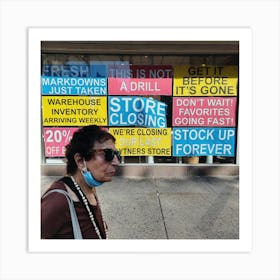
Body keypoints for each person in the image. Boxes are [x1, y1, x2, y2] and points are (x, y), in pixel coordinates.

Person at [41, 125, 120, 239]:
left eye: (117, 154)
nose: (116, 162)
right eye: (108, 154)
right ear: (80, 161)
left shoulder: (88, 189)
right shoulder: (58, 199)